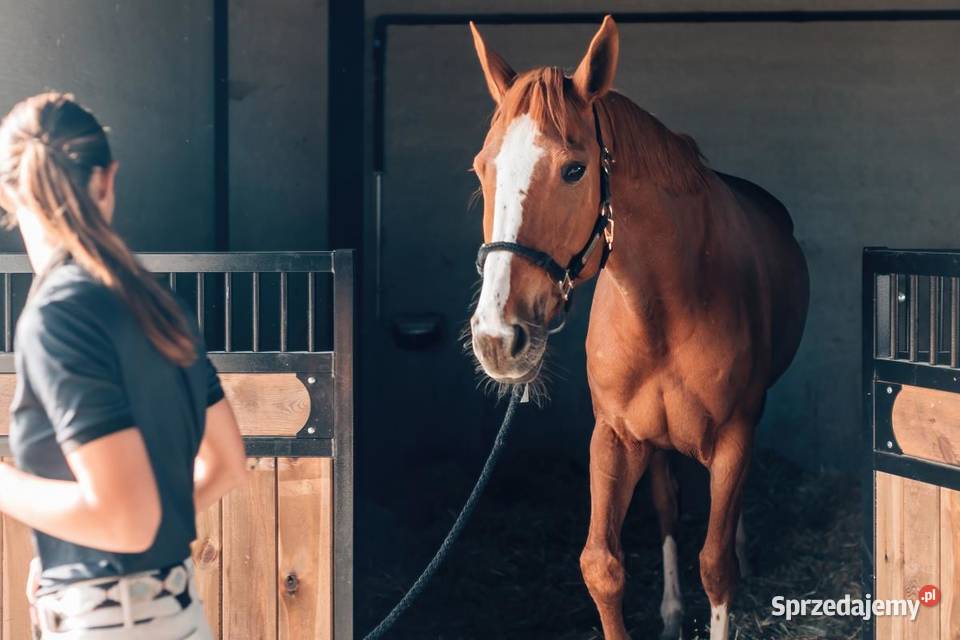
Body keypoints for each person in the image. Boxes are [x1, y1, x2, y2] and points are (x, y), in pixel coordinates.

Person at [0, 92, 247, 639]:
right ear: (108, 180)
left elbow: (128, 521)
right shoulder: (160, 304)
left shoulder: (56, 317)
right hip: (178, 615)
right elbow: (228, 465)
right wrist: (86, 541)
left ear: (7, 195)